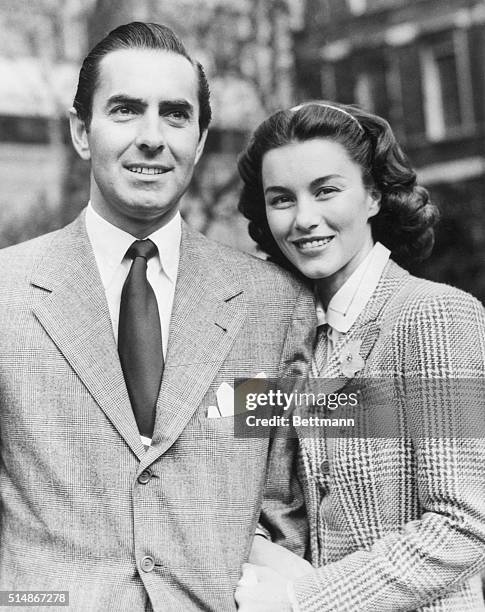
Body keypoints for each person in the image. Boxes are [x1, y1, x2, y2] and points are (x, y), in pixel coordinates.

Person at [0, 23, 314, 611]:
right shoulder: (6, 291)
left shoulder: (275, 305)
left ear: (198, 141)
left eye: (175, 115)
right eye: (125, 110)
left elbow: (283, 503)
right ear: (81, 132)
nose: (152, 137)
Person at [234, 101, 485, 611]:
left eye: (326, 190)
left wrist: (305, 598)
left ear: (373, 195)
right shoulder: (268, 342)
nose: (305, 219)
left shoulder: (436, 316)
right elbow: (243, 490)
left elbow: (461, 525)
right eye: (281, 199)